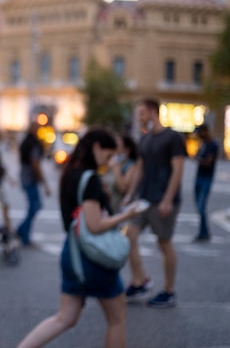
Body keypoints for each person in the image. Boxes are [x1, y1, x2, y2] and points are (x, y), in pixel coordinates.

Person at [16, 128, 142, 348]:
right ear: (96, 148)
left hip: (71, 252)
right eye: (108, 154)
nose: (109, 160)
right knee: (117, 319)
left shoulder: (70, 172)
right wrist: (126, 215)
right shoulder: (90, 178)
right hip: (92, 257)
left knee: (64, 318)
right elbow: (94, 226)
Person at [122, 98, 187, 308]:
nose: (139, 117)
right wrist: (130, 194)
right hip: (144, 199)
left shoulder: (173, 137)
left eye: (141, 113)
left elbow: (178, 169)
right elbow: (140, 168)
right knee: (128, 236)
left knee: (163, 242)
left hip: (163, 200)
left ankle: (169, 290)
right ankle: (140, 281)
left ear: (152, 112)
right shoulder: (146, 139)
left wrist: (168, 199)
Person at [17, 122, 51, 247]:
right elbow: (35, 163)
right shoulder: (33, 143)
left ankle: (22, 231)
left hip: (26, 177)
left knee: (34, 206)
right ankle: (23, 233)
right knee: (35, 206)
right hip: (30, 179)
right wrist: (44, 182)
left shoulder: (26, 141)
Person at [101, 134, 139, 214]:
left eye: (118, 146)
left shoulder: (131, 166)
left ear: (127, 150)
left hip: (119, 209)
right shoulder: (109, 163)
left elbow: (123, 189)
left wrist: (115, 168)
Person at [193, 124, 218, 242]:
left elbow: (208, 161)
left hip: (206, 177)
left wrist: (199, 160)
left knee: (201, 206)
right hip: (199, 176)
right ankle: (204, 231)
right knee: (199, 205)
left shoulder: (213, 145)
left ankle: (204, 232)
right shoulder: (203, 144)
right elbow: (198, 156)